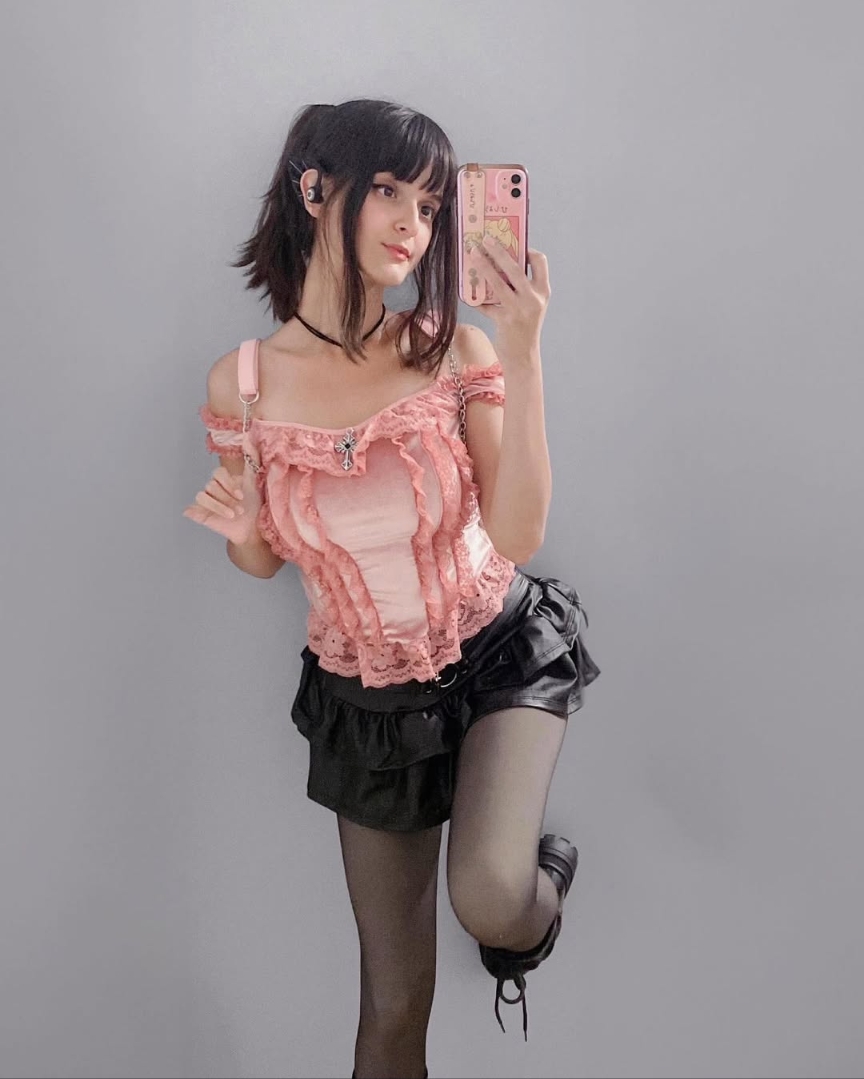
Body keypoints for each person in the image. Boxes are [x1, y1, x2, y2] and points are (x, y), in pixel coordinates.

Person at [182, 98, 600, 1079]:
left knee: (490, 897)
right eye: (389, 192)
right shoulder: (243, 384)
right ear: (315, 189)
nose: (415, 224)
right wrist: (242, 529)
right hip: (367, 698)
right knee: (392, 1000)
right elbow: (261, 561)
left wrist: (524, 349)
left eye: (430, 203)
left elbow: (517, 533)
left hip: (494, 649)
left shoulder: (453, 348)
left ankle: (537, 900)